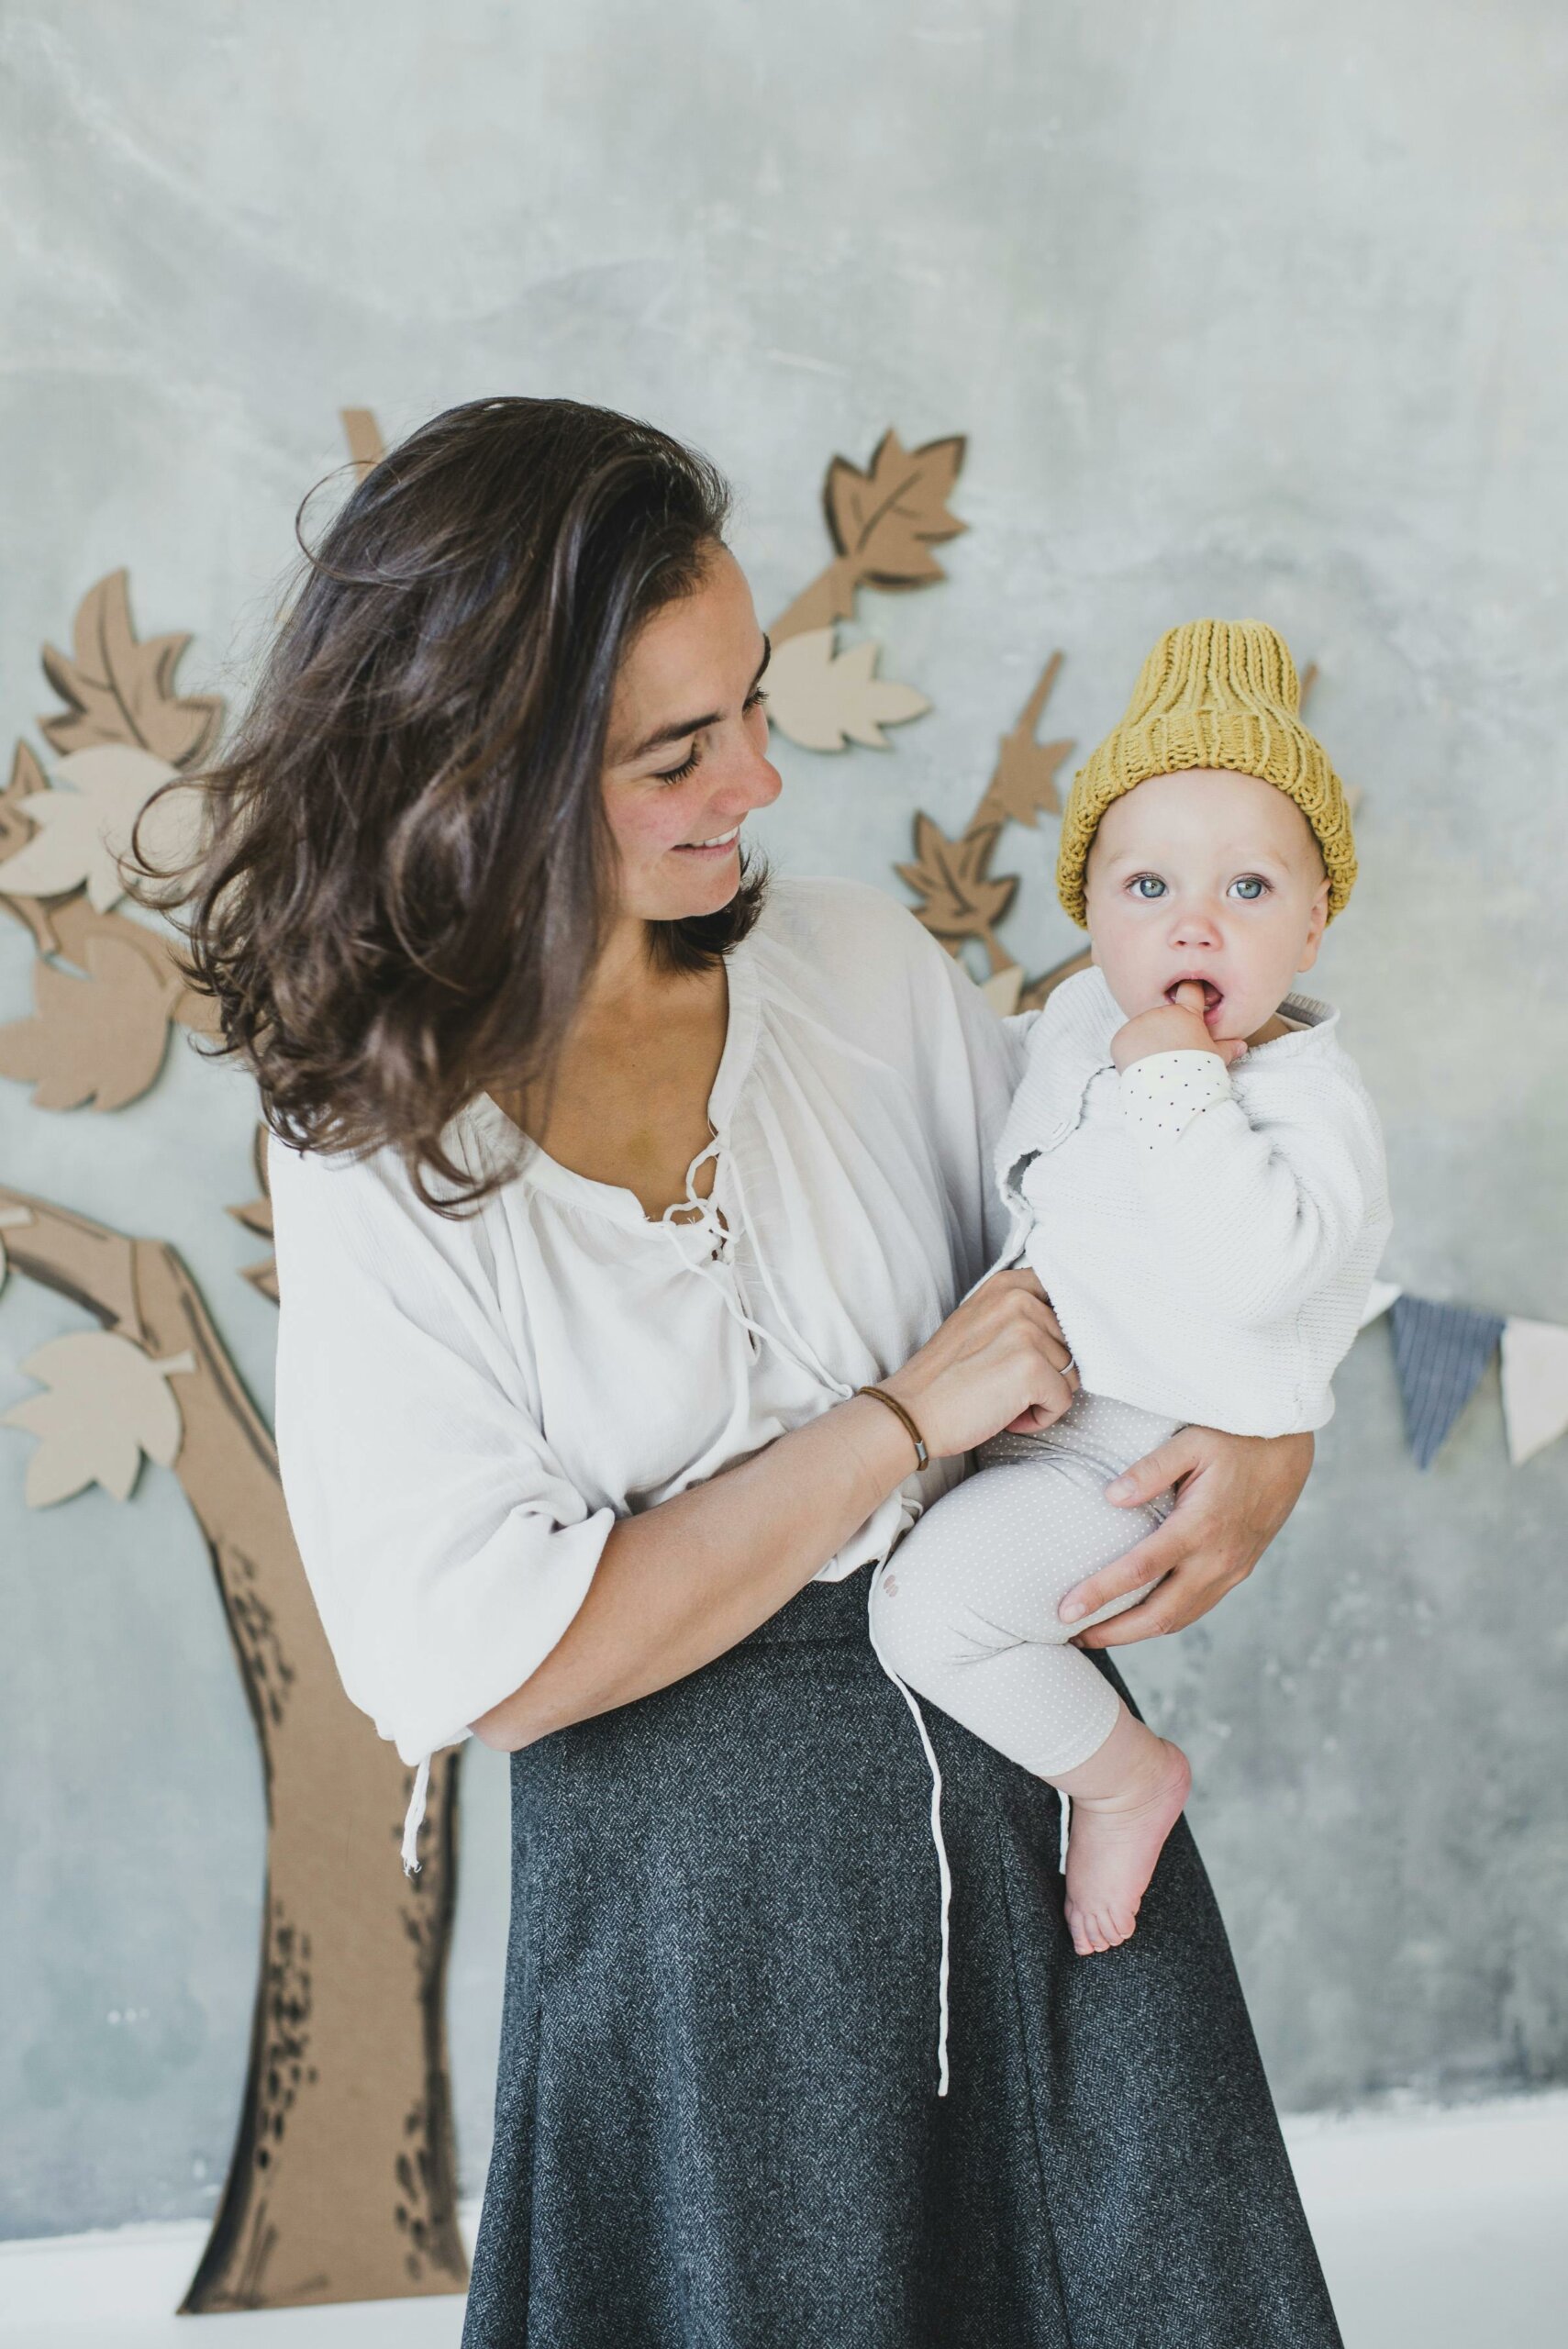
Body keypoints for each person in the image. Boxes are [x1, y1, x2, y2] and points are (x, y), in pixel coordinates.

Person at [167, 398, 1343, 2347]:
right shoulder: (378, 1151)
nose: (762, 778)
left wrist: (1271, 1432)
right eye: (676, 749)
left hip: (1051, 1882)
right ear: (491, 780)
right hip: (700, 1968)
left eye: (755, 708)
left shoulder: (863, 977)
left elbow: (1161, 1230)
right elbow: (478, 1659)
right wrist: (896, 1423)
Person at [870, 620, 1391, 1972]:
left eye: (1251, 890)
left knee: (923, 1615)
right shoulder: (1062, 1023)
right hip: (1035, 1409)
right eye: (1146, 884)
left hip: (1136, 1455)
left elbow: (1265, 1267)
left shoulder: (1301, 1099)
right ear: (1090, 909)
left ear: (1318, 921)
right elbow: (1028, 1179)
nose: (1192, 924)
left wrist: (1177, 1081)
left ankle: (1121, 1779)